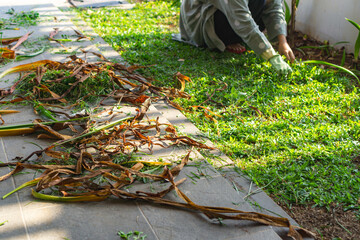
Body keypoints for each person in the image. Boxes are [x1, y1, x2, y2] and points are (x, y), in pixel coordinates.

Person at [178, 0, 295, 73]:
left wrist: (282, 42)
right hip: (201, 21)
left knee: (262, 2)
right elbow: (242, 20)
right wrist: (270, 56)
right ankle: (228, 40)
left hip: (230, 11)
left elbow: (274, 8)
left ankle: (236, 38)